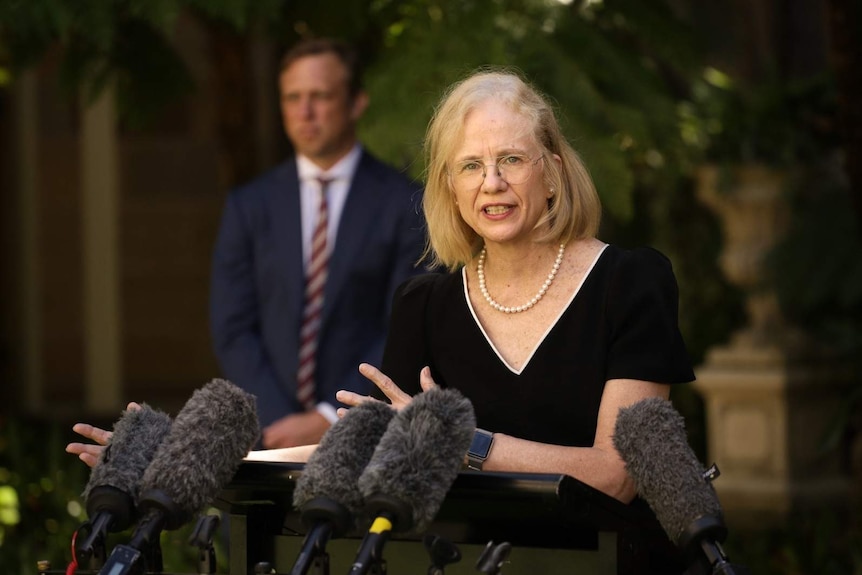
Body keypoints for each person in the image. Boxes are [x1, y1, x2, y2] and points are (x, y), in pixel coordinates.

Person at [67, 69, 695, 570]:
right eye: (470, 166)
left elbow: (616, 476)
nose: (493, 183)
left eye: (513, 159)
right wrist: (168, 465)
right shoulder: (424, 304)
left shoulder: (629, 281)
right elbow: (357, 450)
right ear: (449, 188)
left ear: (553, 171)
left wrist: (465, 444)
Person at [207, 37, 426, 448]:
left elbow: (404, 327)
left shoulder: (407, 204)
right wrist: (280, 421)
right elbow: (232, 326)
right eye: (293, 97)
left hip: (367, 432)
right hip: (267, 433)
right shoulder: (248, 205)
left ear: (356, 102)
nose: (304, 112)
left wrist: (331, 414)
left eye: (320, 96)